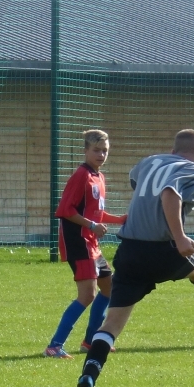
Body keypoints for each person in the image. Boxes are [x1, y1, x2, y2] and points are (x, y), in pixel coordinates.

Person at [71, 129, 194, 387]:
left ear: (173, 150)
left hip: (131, 249)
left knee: (111, 325)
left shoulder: (149, 162)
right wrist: (181, 236)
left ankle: (88, 377)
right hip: (164, 249)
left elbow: (137, 181)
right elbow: (169, 193)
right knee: (192, 262)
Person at [45, 130, 128, 358]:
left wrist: (120, 219)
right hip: (78, 242)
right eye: (96, 150)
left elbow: (96, 213)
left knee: (109, 288)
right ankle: (54, 346)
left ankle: (90, 341)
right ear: (85, 150)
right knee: (87, 295)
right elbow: (64, 210)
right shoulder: (81, 175)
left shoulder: (99, 178)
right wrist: (91, 226)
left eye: (105, 151)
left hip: (91, 243)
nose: (101, 155)